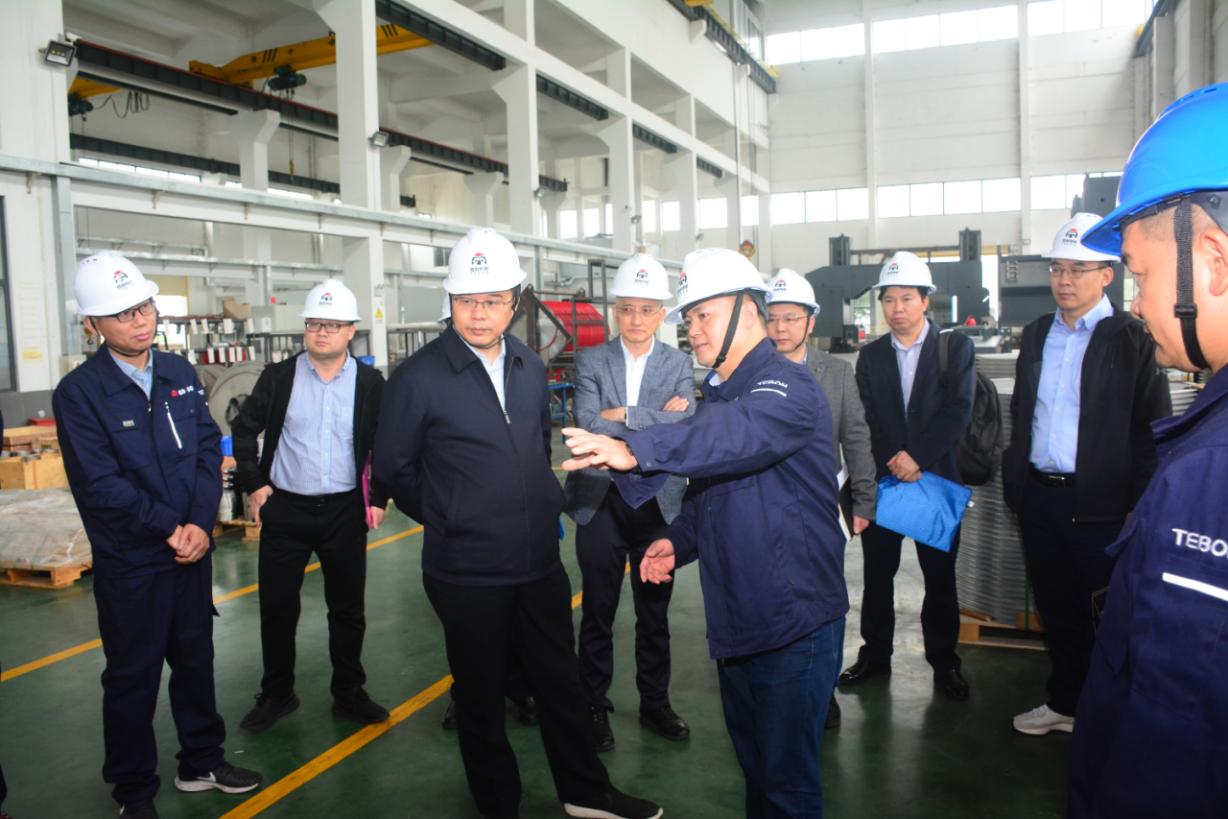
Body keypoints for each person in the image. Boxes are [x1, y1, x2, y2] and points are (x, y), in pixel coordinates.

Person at [374, 227, 661, 819]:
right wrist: (452, 517)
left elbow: (532, 447)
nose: (479, 314)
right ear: (450, 301)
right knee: (480, 697)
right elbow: (395, 469)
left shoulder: (530, 366)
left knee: (560, 683)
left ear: (515, 301)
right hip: (465, 569)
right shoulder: (417, 377)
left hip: (536, 561)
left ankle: (586, 793)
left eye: (492, 300)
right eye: (466, 301)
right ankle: (497, 804)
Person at [562, 247, 847, 818]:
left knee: (786, 785)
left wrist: (633, 447)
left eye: (704, 315)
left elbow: (731, 435)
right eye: (688, 318)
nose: (691, 329)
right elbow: (713, 493)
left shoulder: (784, 386)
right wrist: (677, 540)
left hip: (793, 616)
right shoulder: (723, 392)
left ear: (749, 311)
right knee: (758, 770)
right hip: (741, 616)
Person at [1067, 82, 1228, 818]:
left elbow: (1172, 750)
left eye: (1140, 273)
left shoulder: (1213, 473)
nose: (1136, 302)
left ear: (1213, 259)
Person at [53, 253, 261, 819]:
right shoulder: (80, 393)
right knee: (132, 677)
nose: (140, 320)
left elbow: (205, 451)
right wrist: (170, 528)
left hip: (190, 551)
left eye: (144, 307)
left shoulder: (178, 373)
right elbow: (100, 484)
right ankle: (134, 791)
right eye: (123, 313)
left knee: (195, 662)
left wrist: (199, 522)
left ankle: (201, 762)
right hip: (132, 561)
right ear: (93, 324)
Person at [1002, 214, 1170, 737]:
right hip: (1040, 499)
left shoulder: (1132, 338)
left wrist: (1137, 504)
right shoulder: (1037, 335)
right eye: (1057, 268)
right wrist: (1017, 480)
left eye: (1078, 269)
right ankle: (1066, 702)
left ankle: (1110, 714)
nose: (1064, 279)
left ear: (1107, 275)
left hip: (1102, 507)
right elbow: (1023, 412)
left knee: (1107, 613)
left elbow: (1151, 430)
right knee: (1057, 608)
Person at [230, 278, 391, 733]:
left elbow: (384, 443)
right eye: (314, 323)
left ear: (351, 331)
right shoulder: (278, 378)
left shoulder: (370, 384)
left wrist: (378, 497)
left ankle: (349, 693)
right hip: (286, 510)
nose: (322, 332)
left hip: (344, 511)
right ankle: (277, 693)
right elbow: (243, 428)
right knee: (277, 607)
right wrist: (255, 484)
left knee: (347, 609)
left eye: (332, 325)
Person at [563, 253, 695, 751]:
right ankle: (592, 703)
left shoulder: (679, 363)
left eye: (646, 310)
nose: (636, 319)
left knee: (653, 612)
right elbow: (587, 422)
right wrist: (654, 415)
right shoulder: (591, 359)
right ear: (615, 311)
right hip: (601, 499)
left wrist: (625, 413)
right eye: (626, 309)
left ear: (661, 314)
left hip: (657, 501)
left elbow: (686, 425)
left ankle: (655, 702)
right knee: (598, 609)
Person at [838, 251, 976, 702]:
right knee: (878, 576)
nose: (897, 308)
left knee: (940, 578)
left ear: (925, 301)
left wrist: (917, 456)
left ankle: (944, 660)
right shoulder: (871, 356)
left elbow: (959, 409)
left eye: (906, 298)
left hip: (936, 481)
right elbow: (864, 418)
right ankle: (875, 655)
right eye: (889, 299)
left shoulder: (954, 348)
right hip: (886, 483)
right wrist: (895, 460)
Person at [765, 268, 876, 730]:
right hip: (765, 507)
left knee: (825, 601)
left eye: (791, 318)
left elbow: (856, 436)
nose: (780, 328)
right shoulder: (751, 372)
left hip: (822, 506)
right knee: (771, 594)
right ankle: (778, 684)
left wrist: (863, 502)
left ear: (810, 321)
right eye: (772, 318)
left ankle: (822, 689)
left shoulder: (836, 373)